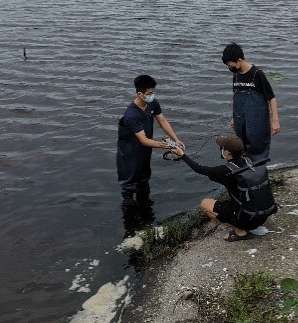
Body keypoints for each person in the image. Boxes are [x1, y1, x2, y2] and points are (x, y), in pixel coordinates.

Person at [171, 135, 277, 242]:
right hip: (262, 215)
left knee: (205, 204)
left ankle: (240, 232)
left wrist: (182, 155)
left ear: (227, 153)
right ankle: (244, 222)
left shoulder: (225, 171)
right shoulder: (252, 160)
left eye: (222, 148)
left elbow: (199, 169)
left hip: (247, 220)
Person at [116, 74, 184, 204]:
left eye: (153, 92)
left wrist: (175, 139)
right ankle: (129, 208)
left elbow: (163, 121)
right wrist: (163, 145)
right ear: (140, 93)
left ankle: (145, 206)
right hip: (130, 150)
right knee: (129, 182)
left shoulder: (152, 103)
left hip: (146, 148)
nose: (152, 95)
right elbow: (143, 139)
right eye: (149, 93)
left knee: (144, 177)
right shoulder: (132, 114)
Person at [222, 42, 280, 160]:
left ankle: (259, 171)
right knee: (242, 147)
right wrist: (234, 117)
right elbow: (236, 97)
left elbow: (271, 98)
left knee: (258, 146)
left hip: (257, 120)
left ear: (238, 61)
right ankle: (246, 170)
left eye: (230, 65)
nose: (229, 68)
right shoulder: (236, 75)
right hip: (241, 121)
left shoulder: (257, 74)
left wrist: (275, 120)